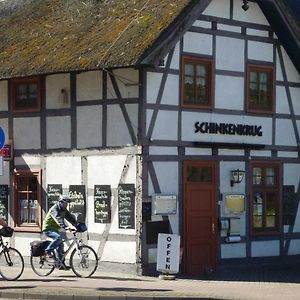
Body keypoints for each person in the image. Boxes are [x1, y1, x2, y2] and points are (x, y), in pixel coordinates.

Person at [42, 194, 77, 270]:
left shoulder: (64, 210)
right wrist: (66, 227)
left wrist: (76, 224)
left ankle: (60, 263)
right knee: (58, 238)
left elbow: (70, 217)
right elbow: (58, 218)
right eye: (65, 203)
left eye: (67, 203)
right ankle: (48, 251)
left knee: (61, 245)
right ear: (61, 202)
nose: (66, 205)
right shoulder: (54, 209)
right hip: (48, 228)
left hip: (55, 229)